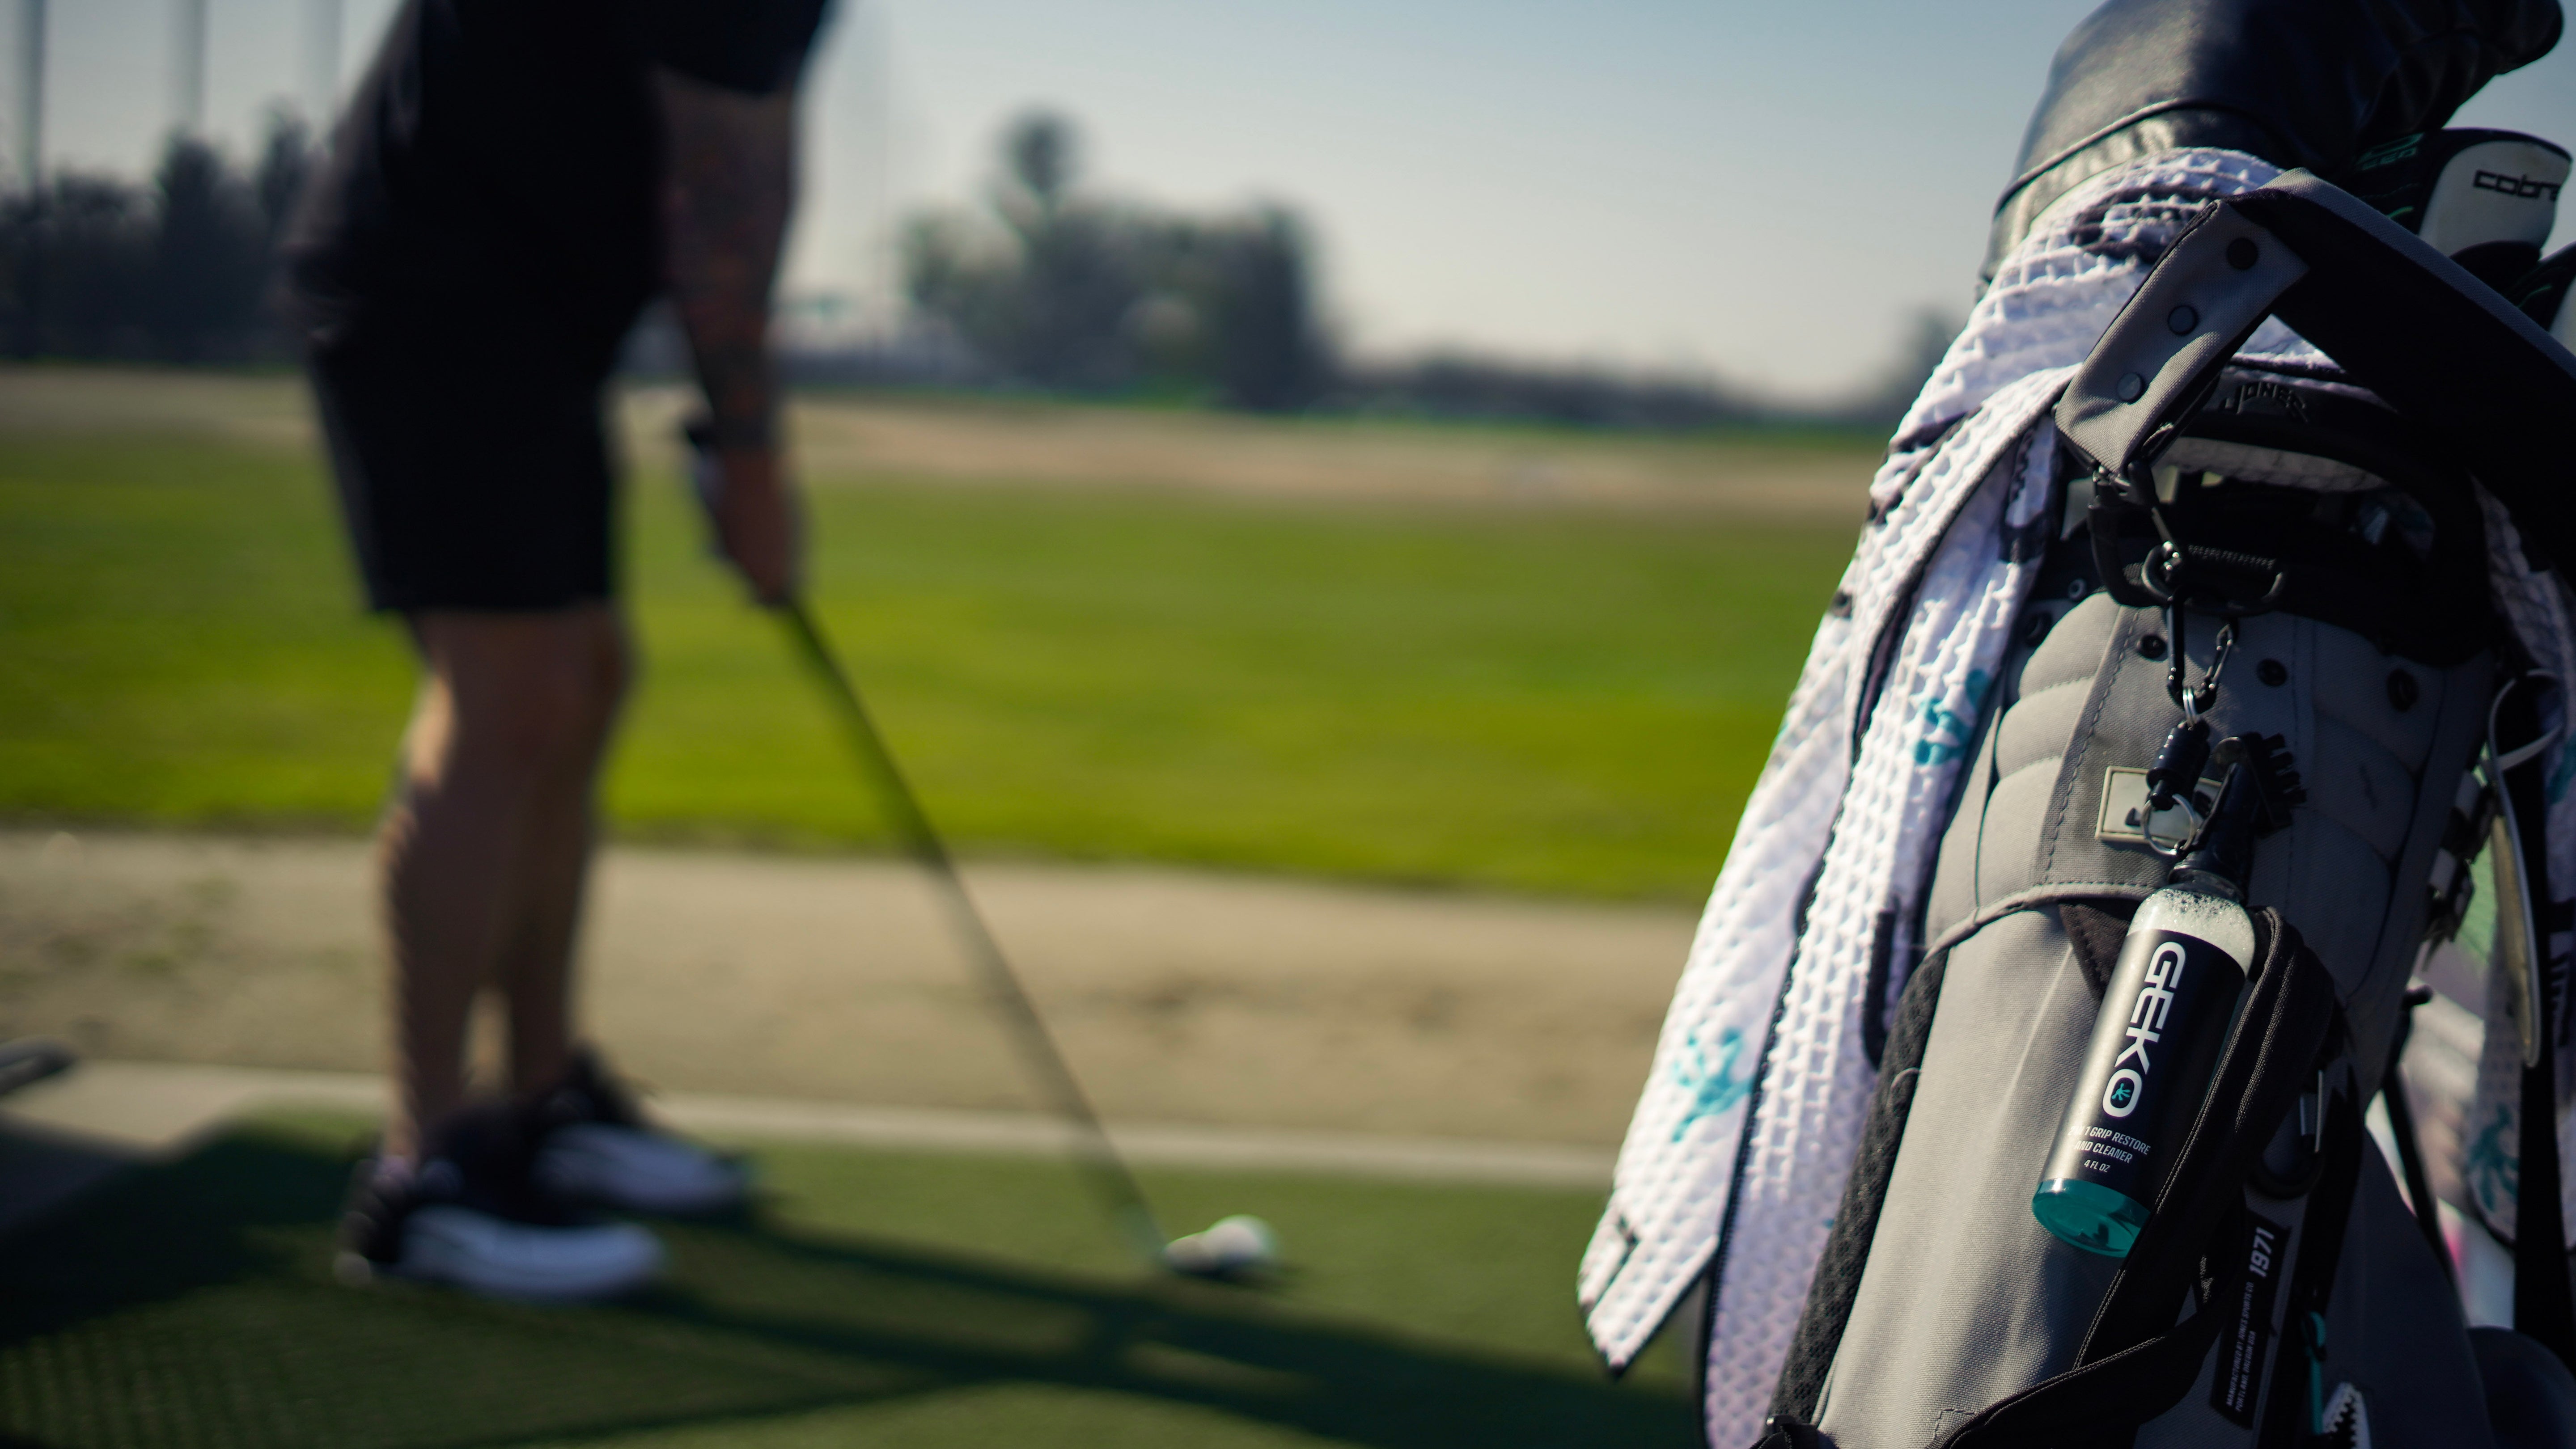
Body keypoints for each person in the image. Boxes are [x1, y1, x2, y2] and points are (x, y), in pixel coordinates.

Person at [283, 0, 830, 1300]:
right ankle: (429, 1170)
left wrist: (738, 420)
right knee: (511, 693)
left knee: (583, 676)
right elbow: (723, 184)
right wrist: (750, 453)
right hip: (438, 281)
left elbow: (757, 140)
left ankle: (539, 1099)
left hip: (533, 315)